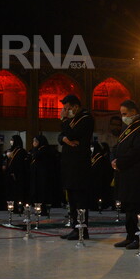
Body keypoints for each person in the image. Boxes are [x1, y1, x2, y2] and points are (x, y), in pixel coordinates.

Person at [112, 100, 140, 249]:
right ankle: (130, 236)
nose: (123, 117)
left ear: (133, 112)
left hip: (138, 174)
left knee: (138, 207)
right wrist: (114, 160)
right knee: (128, 207)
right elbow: (117, 147)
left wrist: (120, 162)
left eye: (125, 114)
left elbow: (137, 151)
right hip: (125, 174)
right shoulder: (128, 128)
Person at [58, 94, 94, 241]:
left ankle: (81, 229)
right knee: (72, 198)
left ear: (76, 107)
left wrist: (64, 121)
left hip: (79, 165)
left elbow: (72, 134)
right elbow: (62, 136)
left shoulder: (86, 118)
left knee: (80, 199)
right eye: (64, 109)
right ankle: (74, 228)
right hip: (70, 164)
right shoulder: (73, 120)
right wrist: (65, 139)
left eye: (67, 108)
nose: (65, 111)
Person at [4, 136, 30, 212]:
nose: (11, 141)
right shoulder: (11, 150)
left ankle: (18, 207)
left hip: (18, 175)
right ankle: (11, 207)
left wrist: (15, 172)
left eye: (12, 140)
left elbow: (20, 164)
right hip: (10, 175)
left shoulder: (21, 151)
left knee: (18, 192)